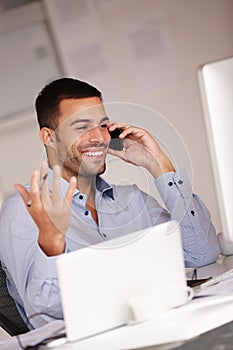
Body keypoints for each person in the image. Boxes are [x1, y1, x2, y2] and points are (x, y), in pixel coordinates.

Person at [0, 78, 220, 330]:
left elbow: (203, 255)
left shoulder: (131, 200)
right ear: (49, 137)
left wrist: (157, 163)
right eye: (82, 127)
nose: (99, 138)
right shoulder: (26, 208)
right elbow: (43, 318)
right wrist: (53, 243)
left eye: (104, 126)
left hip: (157, 329)